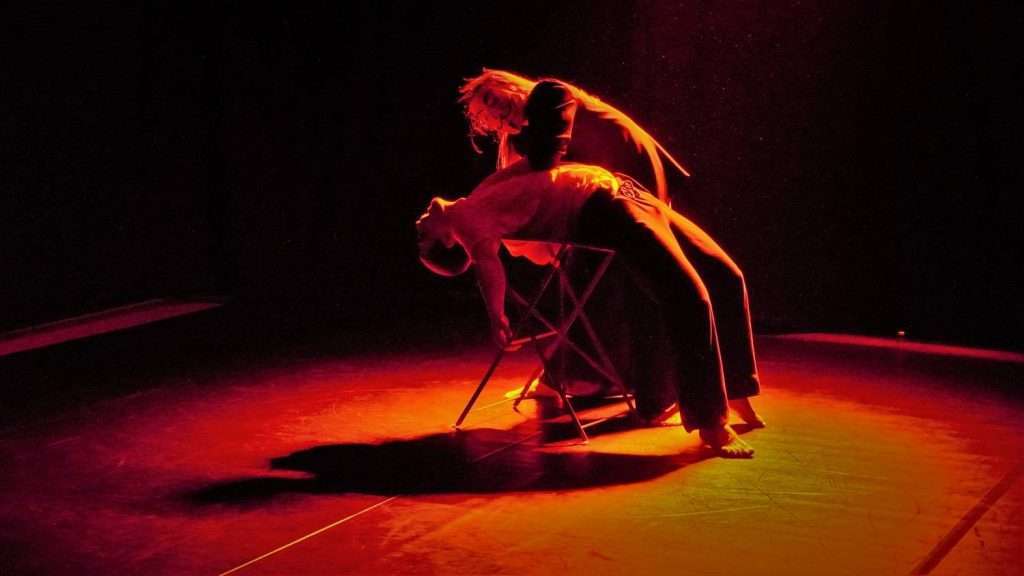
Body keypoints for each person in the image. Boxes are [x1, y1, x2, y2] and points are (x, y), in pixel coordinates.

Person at [416, 82, 758, 457]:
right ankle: (712, 425)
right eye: (422, 238)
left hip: (624, 190)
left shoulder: (479, 197)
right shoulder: (468, 223)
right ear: (448, 241)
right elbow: (487, 264)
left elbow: (533, 169)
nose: (418, 224)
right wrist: (496, 314)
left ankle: (737, 390)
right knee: (688, 295)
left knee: (724, 274)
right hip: (605, 208)